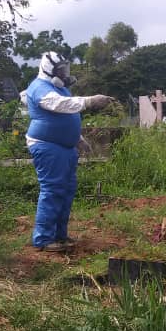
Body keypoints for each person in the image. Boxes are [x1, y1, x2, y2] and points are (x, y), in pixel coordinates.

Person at [23, 52, 114, 252]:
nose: (65, 73)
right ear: (49, 70)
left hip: (65, 147)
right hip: (47, 145)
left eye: (66, 68)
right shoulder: (39, 88)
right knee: (53, 190)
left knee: (66, 190)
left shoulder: (60, 88)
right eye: (61, 70)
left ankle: (59, 236)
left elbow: (65, 117)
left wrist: (78, 139)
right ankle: (44, 239)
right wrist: (89, 101)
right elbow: (59, 105)